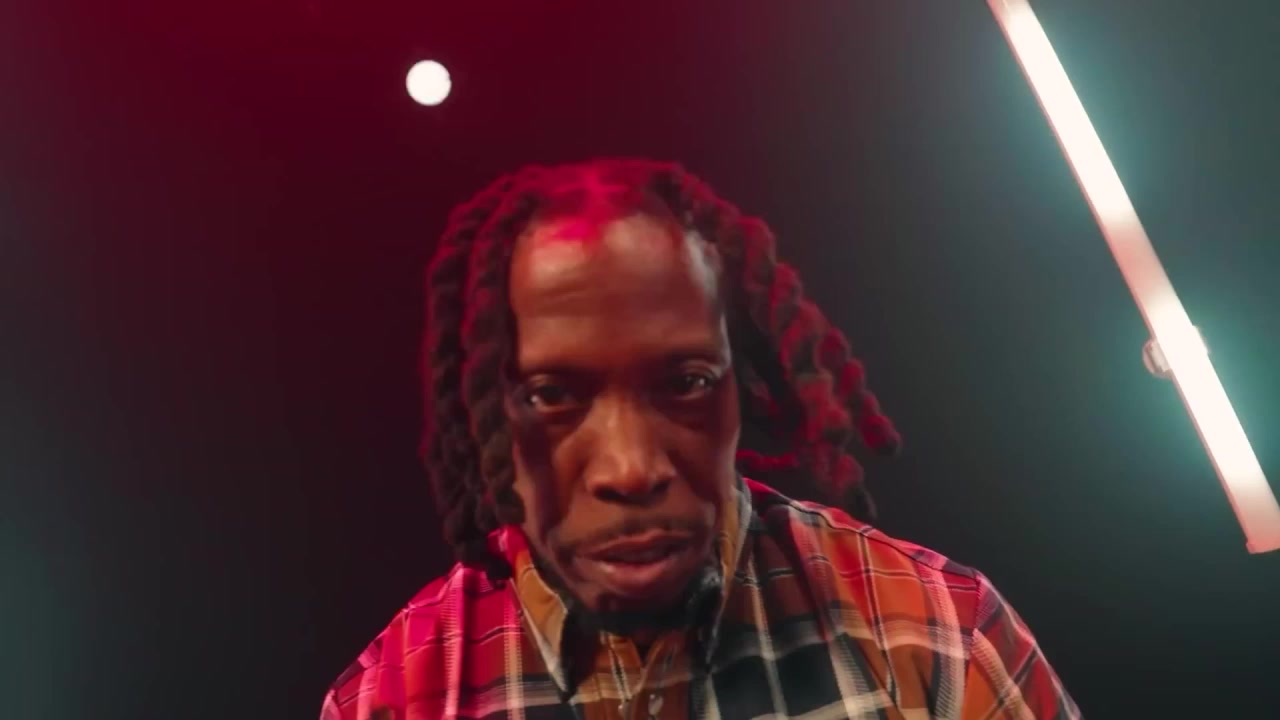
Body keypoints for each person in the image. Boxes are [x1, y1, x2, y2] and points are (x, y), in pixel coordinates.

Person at [320, 158, 1080, 719]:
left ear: (739, 384)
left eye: (684, 382)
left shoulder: (940, 637)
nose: (630, 468)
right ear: (485, 414)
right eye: (551, 396)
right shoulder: (393, 699)